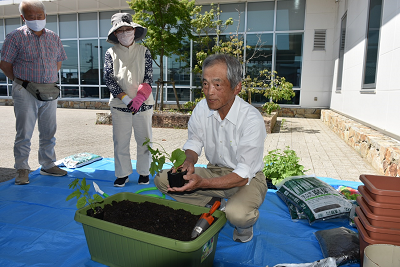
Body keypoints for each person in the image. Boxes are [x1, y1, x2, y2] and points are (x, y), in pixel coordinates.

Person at [154, 54, 268, 243]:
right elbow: (195, 141)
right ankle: (214, 203)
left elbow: (243, 174)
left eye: (217, 84)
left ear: (236, 87)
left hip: (248, 180)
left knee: (238, 214)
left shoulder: (251, 120)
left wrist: (202, 184)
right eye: (205, 84)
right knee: (163, 180)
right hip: (215, 171)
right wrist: (189, 160)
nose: (209, 92)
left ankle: (243, 226)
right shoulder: (202, 108)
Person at [0, 0, 68, 185]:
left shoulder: (53, 37)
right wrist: (21, 82)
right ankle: (22, 169)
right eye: (32, 17)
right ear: (23, 17)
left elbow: (58, 62)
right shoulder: (15, 37)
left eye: (40, 16)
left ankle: (48, 164)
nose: (37, 19)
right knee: (24, 132)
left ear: (45, 15)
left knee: (49, 131)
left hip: (49, 90)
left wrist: (48, 79)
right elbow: (5, 64)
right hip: (25, 89)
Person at [104, 13, 154, 187]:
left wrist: (139, 98)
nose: (125, 33)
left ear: (134, 30)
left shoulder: (144, 51)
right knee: (120, 141)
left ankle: (144, 172)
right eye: (121, 31)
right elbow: (109, 79)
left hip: (143, 104)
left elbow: (148, 77)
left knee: (145, 140)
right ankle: (122, 173)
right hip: (120, 105)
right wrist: (126, 99)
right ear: (115, 34)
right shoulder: (111, 52)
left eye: (128, 29)